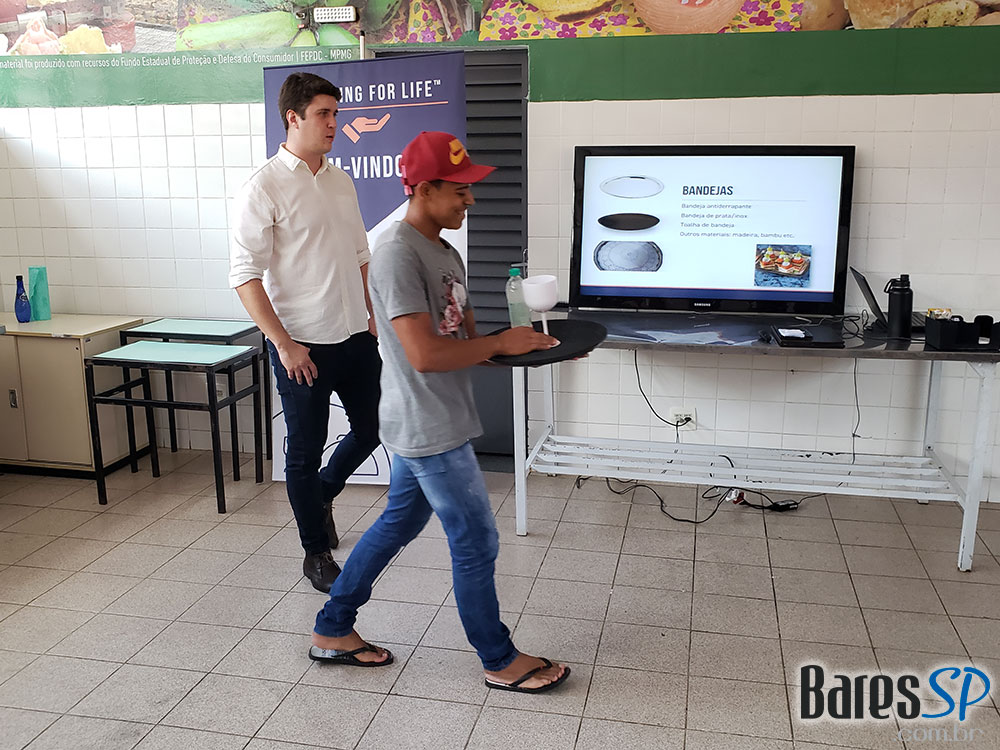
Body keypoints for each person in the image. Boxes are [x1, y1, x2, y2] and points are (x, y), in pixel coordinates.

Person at [307, 131, 570, 693]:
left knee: (399, 522)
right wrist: (497, 343)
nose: (469, 199)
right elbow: (424, 355)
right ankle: (498, 658)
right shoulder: (397, 256)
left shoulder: (445, 252)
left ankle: (332, 627)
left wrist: (530, 346)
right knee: (476, 540)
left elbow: (464, 342)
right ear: (424, 189)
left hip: (436, 416)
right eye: (459, 189)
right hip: (427, 424)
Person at [229, 72, 381, 593]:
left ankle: (324, 492)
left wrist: (372, 315)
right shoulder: (263, 186)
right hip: (303, 347)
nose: (333, 124)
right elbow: (244, 276)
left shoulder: (341, 181)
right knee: (303, 450)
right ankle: (315, 552)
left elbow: (361, 255)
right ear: (293, 117)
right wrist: (284, 344)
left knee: (373, 428)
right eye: (323, 114)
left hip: (355, 334)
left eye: (336, 114)